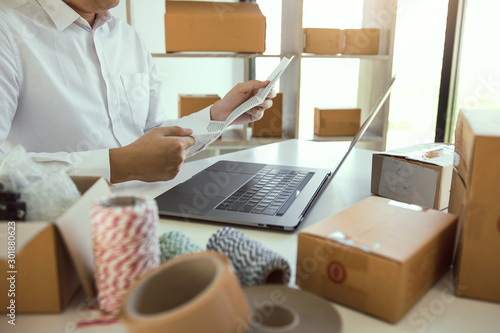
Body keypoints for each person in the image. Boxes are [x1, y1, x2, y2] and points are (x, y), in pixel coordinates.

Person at [0, 0, 276, 183]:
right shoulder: (8, 31)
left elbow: (151, 134)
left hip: (147, 213)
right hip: (59, 232)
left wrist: (219, 114)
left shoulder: (127, 37)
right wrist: (118, 165)